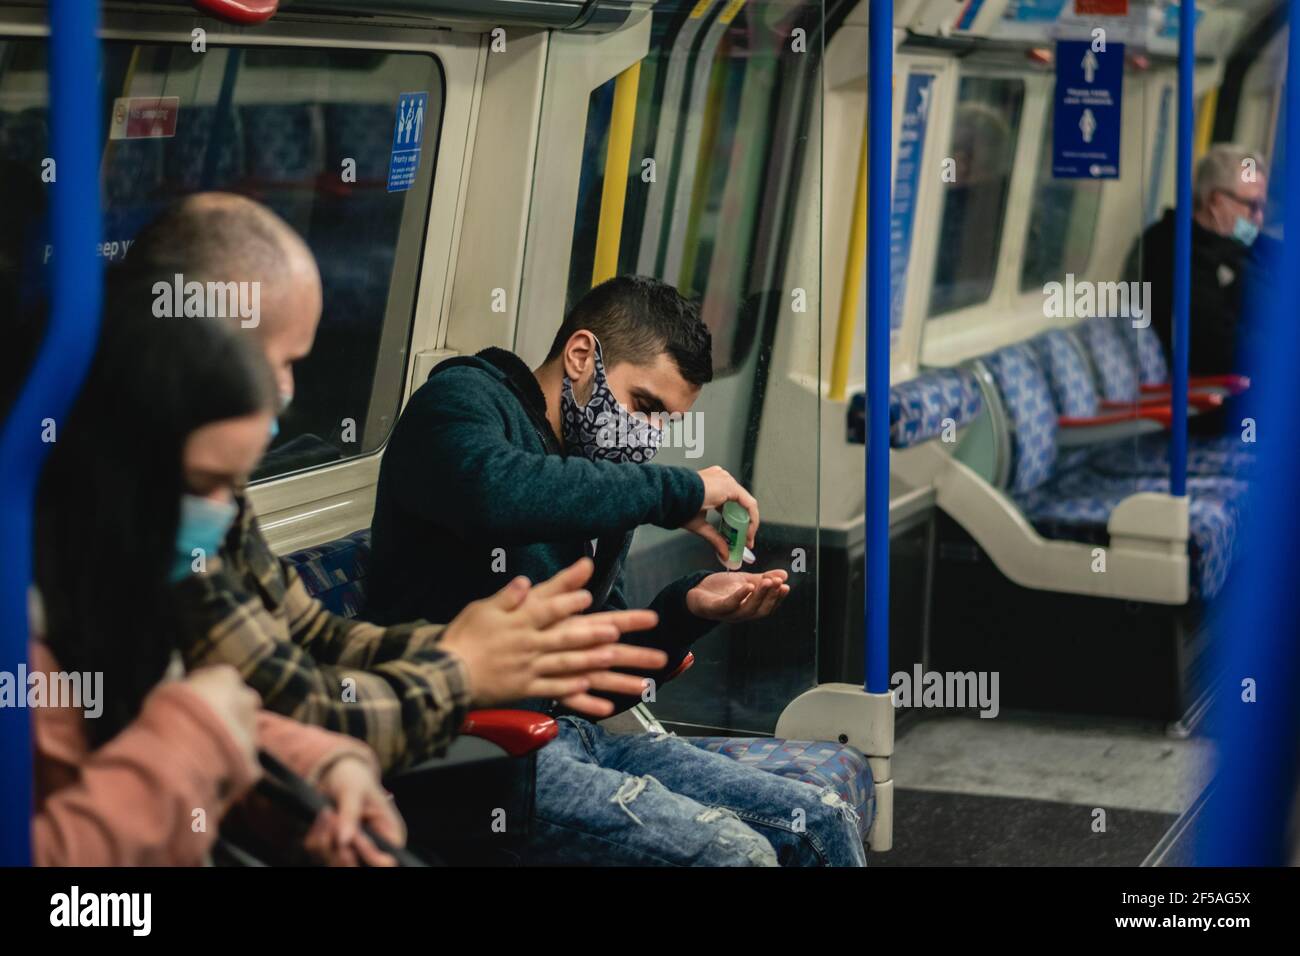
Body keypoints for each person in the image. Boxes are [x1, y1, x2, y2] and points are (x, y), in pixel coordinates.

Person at [109, 193, 668, 776]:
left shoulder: (214, 503)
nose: (287, 391)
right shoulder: (103, 527)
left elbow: (314, 639)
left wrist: (461, 649)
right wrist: (458, 670)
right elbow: (294, 706)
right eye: (273, 361)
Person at [367, 274, 867, 867]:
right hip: (470, 755)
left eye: (665, 423)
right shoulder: (462, 403)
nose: (649, 436)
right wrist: (674, 492)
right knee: (738, 856)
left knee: (820, 820)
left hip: (574, 737)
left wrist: (688, 607)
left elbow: (601, 674)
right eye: (644, 406)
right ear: (581, 355)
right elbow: (493, 493)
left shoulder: (599, 478)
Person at [33, 311, 403, 866]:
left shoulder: (119, 594)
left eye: (236, 486)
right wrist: (192, 737)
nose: (226, 516)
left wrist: (326, 768)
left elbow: (216, 724)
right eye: (204, 483)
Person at [1125, 142, 1276, 377]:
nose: (1258, 218)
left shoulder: (1235, 239)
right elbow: (1218, 343)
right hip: (1209, 389)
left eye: (1262, 208)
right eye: (1252, 206)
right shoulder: (1173, 249)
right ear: (1216, 201)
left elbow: (1268, 249)